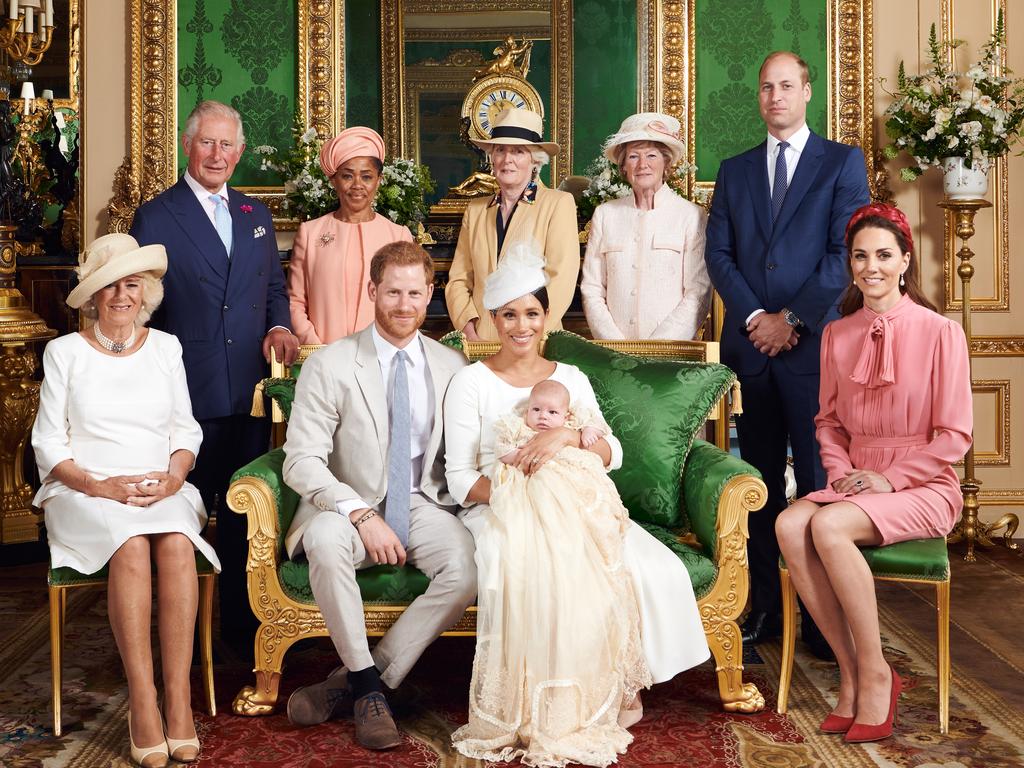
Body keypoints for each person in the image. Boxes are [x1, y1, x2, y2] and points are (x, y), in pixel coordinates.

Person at [444, 247, 709, 766]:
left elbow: (614, 453)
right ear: (494, 319)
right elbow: (459, 479)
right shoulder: (469, 381)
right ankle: (544, 704)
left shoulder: (570, 376)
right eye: (510, 314)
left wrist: (566, 436)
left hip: (579, 501)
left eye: (533, 313)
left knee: (642, 563)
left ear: (547, 317)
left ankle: (612, 685)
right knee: (536, 567)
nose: (522, 326)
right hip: (502, 505)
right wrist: (527, 499)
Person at [776, 203, 972, 743]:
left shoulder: (941, 333)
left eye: (884, 255)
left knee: (829, 526)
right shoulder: (837, 334)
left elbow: (954, 435)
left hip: (923, 484)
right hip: (855, 481)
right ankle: (851, 672)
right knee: (791, 524)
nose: (872, 267)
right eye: (861, 256)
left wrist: (889, 479)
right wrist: (841, 472)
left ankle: (878, 672)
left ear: (905, 260)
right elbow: (829, 422)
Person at [33, 234, 221, 768]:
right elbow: (48, 442)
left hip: (160, 484)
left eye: (131, 284)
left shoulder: (166, 348)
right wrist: (101, 486)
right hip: (84, 488)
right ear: (92, 296)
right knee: (132, 545)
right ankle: (144, 703)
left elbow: (185, 430)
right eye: (109, 286)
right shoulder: (64, 353)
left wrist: (172, 476)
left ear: (147, 291)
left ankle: (178, 704)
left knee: (178, 546)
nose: (121, 295)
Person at [703, 51, 870, 655]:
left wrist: (792, 319)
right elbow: (719, 255)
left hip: (814, 350)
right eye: (766, 87)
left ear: (807, 92)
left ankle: (827, 620)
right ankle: (765, 610)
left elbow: (842, 253)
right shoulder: (735, 169)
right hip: (752, 351)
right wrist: (755, 319)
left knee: (822, 482)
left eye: (786, 86)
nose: (775, 96)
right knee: (759, 484)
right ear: (760, 96)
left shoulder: (841, 163)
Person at [282, 241, 476, 750]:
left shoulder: (452, 365)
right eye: (393, 292)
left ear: (430, 294)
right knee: (324, 540)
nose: (404, 304)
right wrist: (360, 512)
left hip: (422, 502)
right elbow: (301, 460)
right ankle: (371, 690)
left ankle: (361, 683)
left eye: (415, 293)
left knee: (466, 566)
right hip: (346, 504)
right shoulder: (331, 363)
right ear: (373, 291)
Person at [129, 100, 299, 655]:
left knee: (246, 516)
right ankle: (188, 638)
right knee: (189, 515)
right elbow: (142, 308)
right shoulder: (156, 216)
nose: (217, 155)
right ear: (188, 145)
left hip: (248, 390)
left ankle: (243, 635)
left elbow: (273, 289)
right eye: (207, 143)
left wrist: (278, 325)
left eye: (227, 145)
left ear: (240, 152)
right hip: (187, 391)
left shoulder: (255, 215)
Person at [445, 107, 579, 341]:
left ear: (534, 160)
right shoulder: (475, 210)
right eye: (500, 150)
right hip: (481, 340)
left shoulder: (558, 204)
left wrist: (529, 333)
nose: (507, 160)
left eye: (518, 151)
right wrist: (469, 328)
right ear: (492, 158)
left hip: (535, 342)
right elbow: (459, 278)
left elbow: (561, 278)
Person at [580, 112, 711, 340]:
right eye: (633, 157)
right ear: (623, 167)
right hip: (615, 352)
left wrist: (660, 347)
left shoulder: (690, 215)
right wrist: (615, 345)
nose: (642, 165)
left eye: (651, 155)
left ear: (666, 163)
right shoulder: (606, 214)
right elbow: (592, 288)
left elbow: (698, 291)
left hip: (671, 353)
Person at [287, 126, 413, 344]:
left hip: (381, 357)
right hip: (322, 356)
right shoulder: (310, 233)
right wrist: (315, 347)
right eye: (347, 176)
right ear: (333, 180)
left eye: (366, 177)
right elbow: (295, 301)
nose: (357, 186)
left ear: (379, 181)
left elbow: (407, 303)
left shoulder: (398, 235)